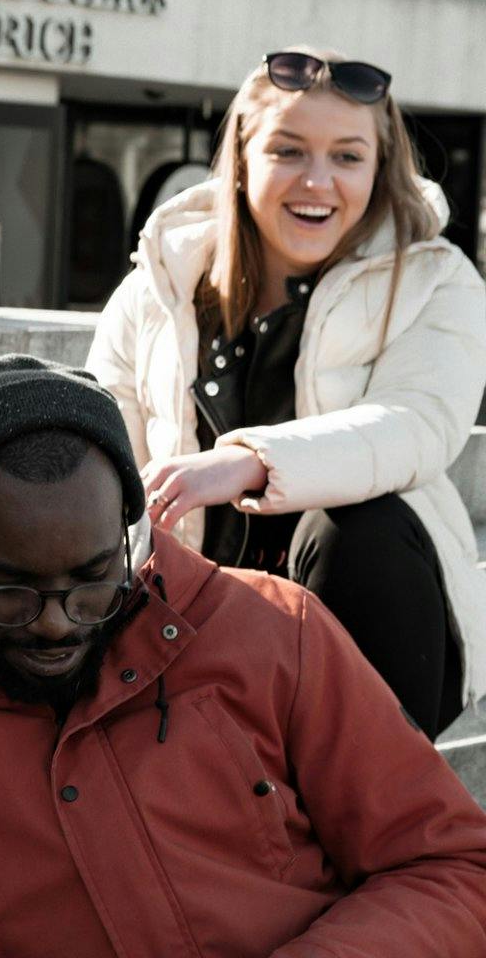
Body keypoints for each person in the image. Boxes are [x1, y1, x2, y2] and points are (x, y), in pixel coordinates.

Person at [0, 354, 486, 956]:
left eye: (93, 582)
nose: (59, 625)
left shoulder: (274, 630)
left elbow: (451, 865)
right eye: (10, 592)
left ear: (133, 537)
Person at [86, 46, 486, 737]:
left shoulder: (434, 279)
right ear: (244, 157)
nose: (318, 182)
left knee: (358, 528)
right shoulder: (161, 286)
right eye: (290, 151)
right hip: (193, 612)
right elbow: (103, 434)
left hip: (375, 620)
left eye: (348, 157)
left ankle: (383, 816)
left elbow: (419, 423)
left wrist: (255, 460)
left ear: (379, 168)